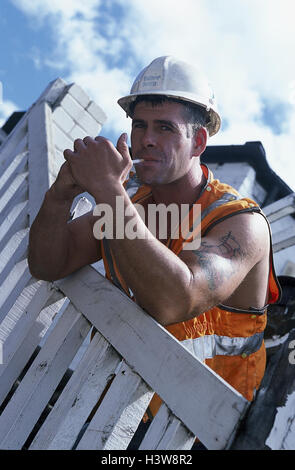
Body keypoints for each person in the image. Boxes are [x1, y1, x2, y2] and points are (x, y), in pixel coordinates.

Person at [28, 56, 281, 446]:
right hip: (121, 408)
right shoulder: (133, 205)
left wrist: (109, 190)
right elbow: (48, 263)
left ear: (198, 141)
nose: (147, 139)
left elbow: (176, 300)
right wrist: (61, 193)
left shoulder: (241, 223)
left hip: (200, 434)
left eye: (165, 128)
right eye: (140, 125)